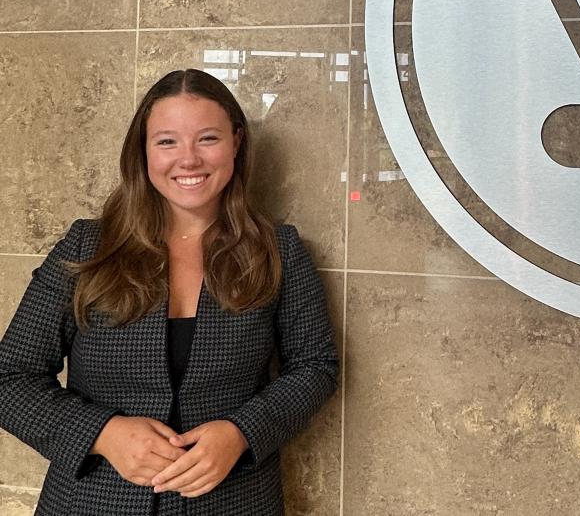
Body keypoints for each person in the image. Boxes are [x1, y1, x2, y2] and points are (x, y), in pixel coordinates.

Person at [0, 68, 339, 516]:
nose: (189, 160)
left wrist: (241, 432)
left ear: (236, 142)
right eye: (167, 141)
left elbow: (316, 367)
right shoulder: (88, 246)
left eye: (208, 139)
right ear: (142, 151)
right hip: (91, 503)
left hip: (234, 501)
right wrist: (104, 433)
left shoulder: (279, 250)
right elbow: (10, 377)